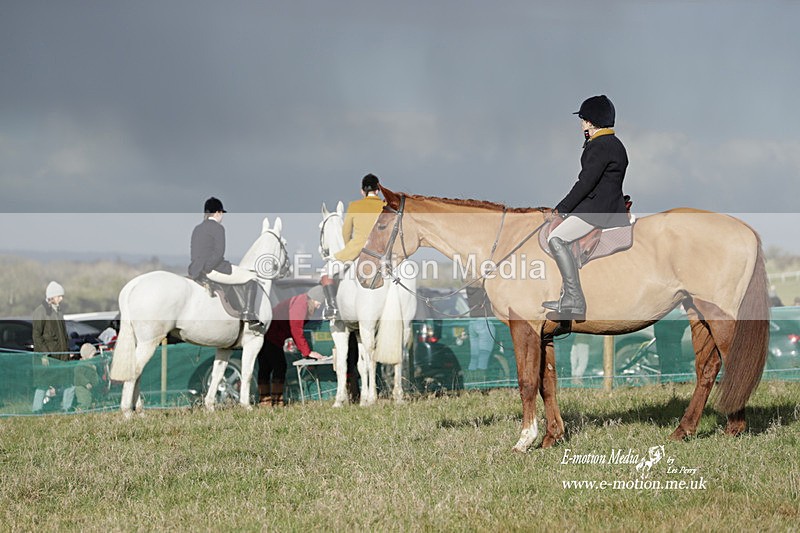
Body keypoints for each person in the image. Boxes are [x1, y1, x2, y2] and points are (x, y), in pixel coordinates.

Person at [542, 95, 630, 317]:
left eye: (583, 120)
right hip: (609, 207)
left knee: (556, 239)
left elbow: (586, 183)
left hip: (597, 212)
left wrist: (561, 209)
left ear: (591, 122)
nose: (581, 125)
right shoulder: (616, 144)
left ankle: (574, 299)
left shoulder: (599, 146)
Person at [188, 197, 263, 331]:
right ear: (217, 212)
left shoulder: (197, 228)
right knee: (252, 277)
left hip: (195, 270)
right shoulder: (218, 228)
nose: (222, 216)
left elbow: (194, 252)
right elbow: (219, 253)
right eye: (221, 213)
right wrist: (208, 268)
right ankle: (249, 315)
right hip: (212, 269)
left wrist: (201, 268)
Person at [320, 173, 387, 319]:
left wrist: (348, 248)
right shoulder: (385, 206)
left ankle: (332, 307)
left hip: (357, 251)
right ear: (378, 190)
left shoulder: (355, 206)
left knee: (326, 272)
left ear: (362, 191)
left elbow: (346, 232)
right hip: (383, 252)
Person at [257, 286, 326, 406]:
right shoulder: (300, 304)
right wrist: (307, 352)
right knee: (279, 366)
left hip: (269, 335)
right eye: (318, 302)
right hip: (270, 336)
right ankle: (276, 402)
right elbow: (295, 328)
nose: (319, 306)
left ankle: (265, 402)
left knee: (266, 368)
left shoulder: (300, 302)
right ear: (312, 299)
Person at [31, 281, 75, 413]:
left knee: (69, 383)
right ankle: (36, 409)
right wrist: (44, 354)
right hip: (48, 357)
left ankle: (66, 408)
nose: (61, 299)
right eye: (59, 296)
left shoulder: (59, 312)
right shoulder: (40, 311)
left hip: (62, 356)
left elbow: (63, 335)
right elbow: (37, 335)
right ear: (51, 296)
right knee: (43, 385)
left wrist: (68, 352)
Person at [465, 285, 496, 385]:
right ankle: (481, 385)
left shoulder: (470, 287)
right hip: (485, 321)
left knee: (474, 356)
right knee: (484, 355)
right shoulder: (486, 285)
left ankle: (471, 383)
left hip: (472, 322)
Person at [74, 343, 100, 410]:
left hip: (91, 387)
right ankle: (80, 410)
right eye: (92, 354)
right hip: (82, 387)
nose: (94, 356)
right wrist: (86, 383)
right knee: (84, 401)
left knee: (90, 400)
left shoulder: (91, 364)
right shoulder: (81, 365)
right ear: (86, 355)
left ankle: (88, 410)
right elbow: (79, 375)